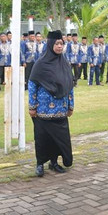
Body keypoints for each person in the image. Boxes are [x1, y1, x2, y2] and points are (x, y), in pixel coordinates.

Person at [28, 30, 74, 177]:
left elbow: (69, 86)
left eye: (61, 44)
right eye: (57, 44)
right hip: (43, 111)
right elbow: (32, 85)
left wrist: (70, 105)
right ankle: (40, 164)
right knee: (42, 139)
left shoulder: (65, 64)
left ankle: (54, 162)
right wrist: (32, 106)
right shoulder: (40, 64)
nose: (60, 47)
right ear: (50, 45)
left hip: (60, 110)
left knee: (59, 139)